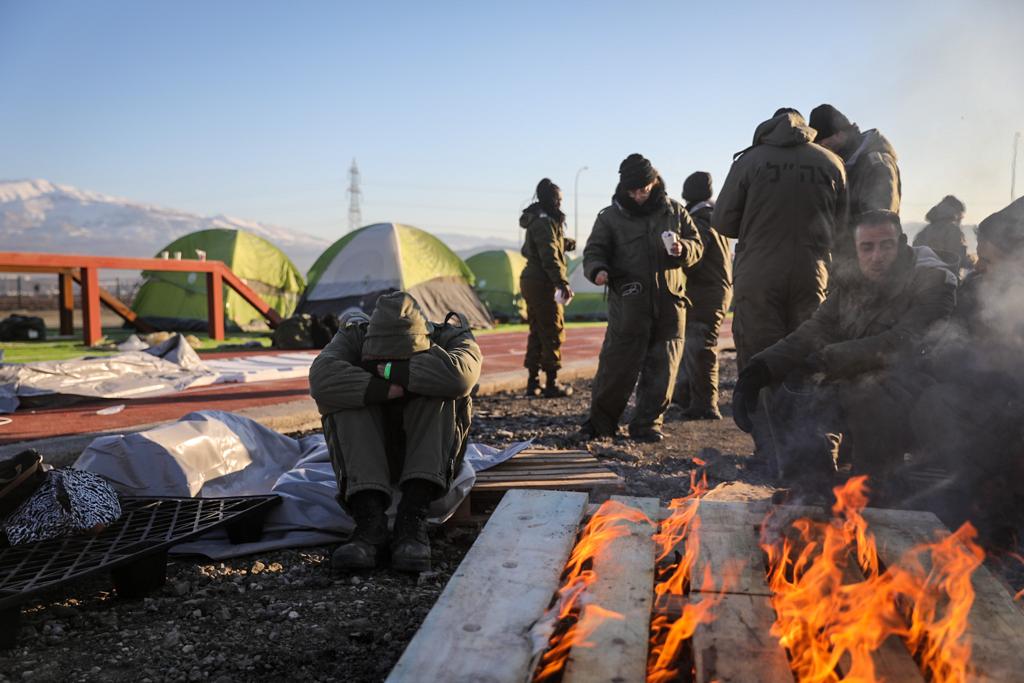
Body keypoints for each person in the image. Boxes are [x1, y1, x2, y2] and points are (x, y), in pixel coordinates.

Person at [732, 210, 957, 503]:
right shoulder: (852, 282)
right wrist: (759, 369)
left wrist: (822, 362)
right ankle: (812, 489)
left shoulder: (933, 280)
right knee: (782, 387)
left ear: (902, 243)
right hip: (857, 377)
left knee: (871, 393)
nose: (877, 256)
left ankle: (871, 492)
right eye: (867, 247)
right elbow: (813, 330)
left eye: (886, 245)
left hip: (919, 388)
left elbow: (902, 342)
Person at [308, 291, 482, 572]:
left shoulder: (450, 336)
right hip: (373, 455)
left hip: (429, 461)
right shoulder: (355, 335)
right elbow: (321, 379)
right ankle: (370, 521)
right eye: (382, 357)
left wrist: (388, 371)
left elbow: (461, 377)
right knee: (344, 398)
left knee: (440, 393)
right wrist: (386, 389)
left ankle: (412, 520)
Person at [910, 197, 1024, 544]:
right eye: (978, 256)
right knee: (936, 402)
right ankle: (970, 510)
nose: (979, 267)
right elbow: (947, 342)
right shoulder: (975, 289)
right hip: (982, 395)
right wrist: (972, 361)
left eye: (988, 260)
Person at [577, 153, 704, 442]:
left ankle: (648, 424)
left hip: (670, 305)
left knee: (663, 369)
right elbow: (594, 251)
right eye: (632, 190)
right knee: (616, 368)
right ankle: (600, 424)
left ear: (654, 181)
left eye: (643, 189)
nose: (638, 196)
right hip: (629, 305)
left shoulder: (675, 211)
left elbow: (697, 246)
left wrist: (684, 249)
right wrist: (597, 270)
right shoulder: (610, 217)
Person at [713, 110, 847, 372]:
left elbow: (722, 221)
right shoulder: (831, 163)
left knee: (758, 356)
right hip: (812, 271)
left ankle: (761, 399)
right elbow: (843, 226)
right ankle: (801, 399)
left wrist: (757, 225)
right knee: (807, 351)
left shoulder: (750, 161)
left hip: (758, 273)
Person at [673, 171, 732, 420]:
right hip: (716, 288)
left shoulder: (700, 220)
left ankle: (705, 404)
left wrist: (677, 251)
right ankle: (686, 395)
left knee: (701, 345)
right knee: (694, 343)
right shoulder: (715, 215)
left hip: (706, 290)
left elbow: (696, 255)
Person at [809, 104, 901, 252]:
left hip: (868, 256)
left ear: (840, 134)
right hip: (850, 255)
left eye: (823, 143)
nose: (822, 149)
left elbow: (880, 220)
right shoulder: (846, 164)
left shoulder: (876, 165)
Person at [519, 178, 575, 398]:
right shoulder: (544, 222)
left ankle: (533, 382)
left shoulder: (539, 220)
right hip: (542, 282)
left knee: (537, 331)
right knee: (552, 330)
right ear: (551, 200)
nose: (560, 205)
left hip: (532, 280)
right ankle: (552, 383)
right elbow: (549, 255)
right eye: (558, 200)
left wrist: (564, 242)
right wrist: (561, 282)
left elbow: (544, 246)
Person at [912, 195, 970, 273]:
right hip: (946, 276)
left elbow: (915, 254)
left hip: (922, 276)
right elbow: (958, 258)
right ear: (957, 213)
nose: (961, 220)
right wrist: (973, 261)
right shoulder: (953, 231)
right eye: (961, 216)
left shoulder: (925, 231)